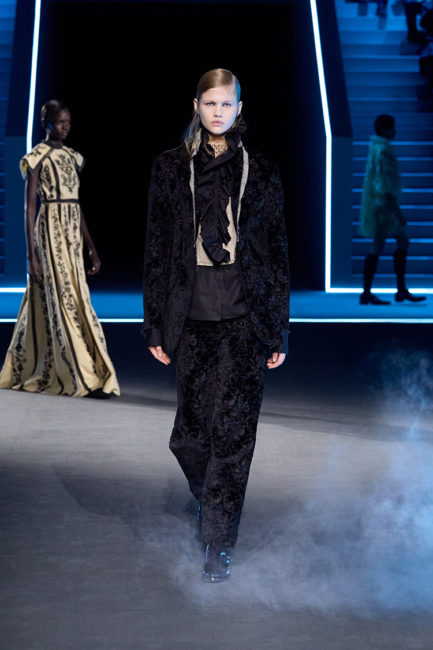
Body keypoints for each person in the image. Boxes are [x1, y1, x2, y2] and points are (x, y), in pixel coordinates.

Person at [142, 69, 290, 582]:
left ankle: (218, 542)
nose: (219, 112)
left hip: (247, 318)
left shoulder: (262, 171)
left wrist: (278, 326)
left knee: (234, 435)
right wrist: (155, 325)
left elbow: (276, 252)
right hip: (191, 316)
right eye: (210, 103)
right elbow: (157, 249)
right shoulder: (169, 168)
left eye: (227, 104)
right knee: (190, 435)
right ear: (196, 106)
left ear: (239, 109)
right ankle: (213, 500)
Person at [0, 100, 120, 397]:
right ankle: (83, 376)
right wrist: (30, 256)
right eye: (60, 122)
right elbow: (29, 208)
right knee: (63, 297)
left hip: (72, 233)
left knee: (73, 297)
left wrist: (91, 248)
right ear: (47, 123)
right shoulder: (36, 158)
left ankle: (67, 367)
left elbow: (75, 204)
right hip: (50, 231)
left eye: (68, 122)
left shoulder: (72, 157)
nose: (65, 127)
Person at [359, 114, 425, 305]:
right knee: (384, 245)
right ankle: (378, 292)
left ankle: (392, 290)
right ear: (384, 129)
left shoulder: (377, 148)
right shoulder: (383, 150)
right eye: (391, 127)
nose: (395, 131)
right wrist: (397, 211)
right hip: (385, 207)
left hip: (382, 205)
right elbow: (385, 184)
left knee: (393, 243)